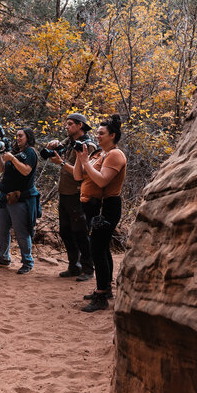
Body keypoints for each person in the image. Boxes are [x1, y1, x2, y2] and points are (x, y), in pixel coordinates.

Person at [73, 114, 127, 312]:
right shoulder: (101, 154)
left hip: (109, 207)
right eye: (96, 133)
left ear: (112, 135)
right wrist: (81, 158)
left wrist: (86, 161)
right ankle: (105, 289)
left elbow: (103, 181)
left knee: (97, 249)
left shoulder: (115, 154)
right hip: (97, 207)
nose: (97, 136)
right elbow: (78, 176)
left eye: (101, 133)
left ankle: (101, 295)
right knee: (102, 248)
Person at [46, 113, 97, 281]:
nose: (66, 127)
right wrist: (53, 145)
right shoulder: (69, 143)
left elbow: (82, 174)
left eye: (70, 124)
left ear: (80, 125)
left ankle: (88, 269)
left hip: (78, 194)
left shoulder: (87, 146)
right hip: (65, 193)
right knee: (65, 231)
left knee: (81, 232)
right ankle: (74, 266)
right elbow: (58, 150)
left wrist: (61, 163)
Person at [0, 128, 40, 275]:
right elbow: (0, 169)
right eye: (16, 136)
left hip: (20, 198)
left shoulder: (30, 152)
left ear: (28, 137)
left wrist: (12, 159)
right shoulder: (14, 152)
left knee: (21, 232)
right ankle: (3, 258)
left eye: (20, 135)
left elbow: (26, 171)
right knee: (2, 228)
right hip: (5, 197)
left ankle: (27, 262)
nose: (18, 138)